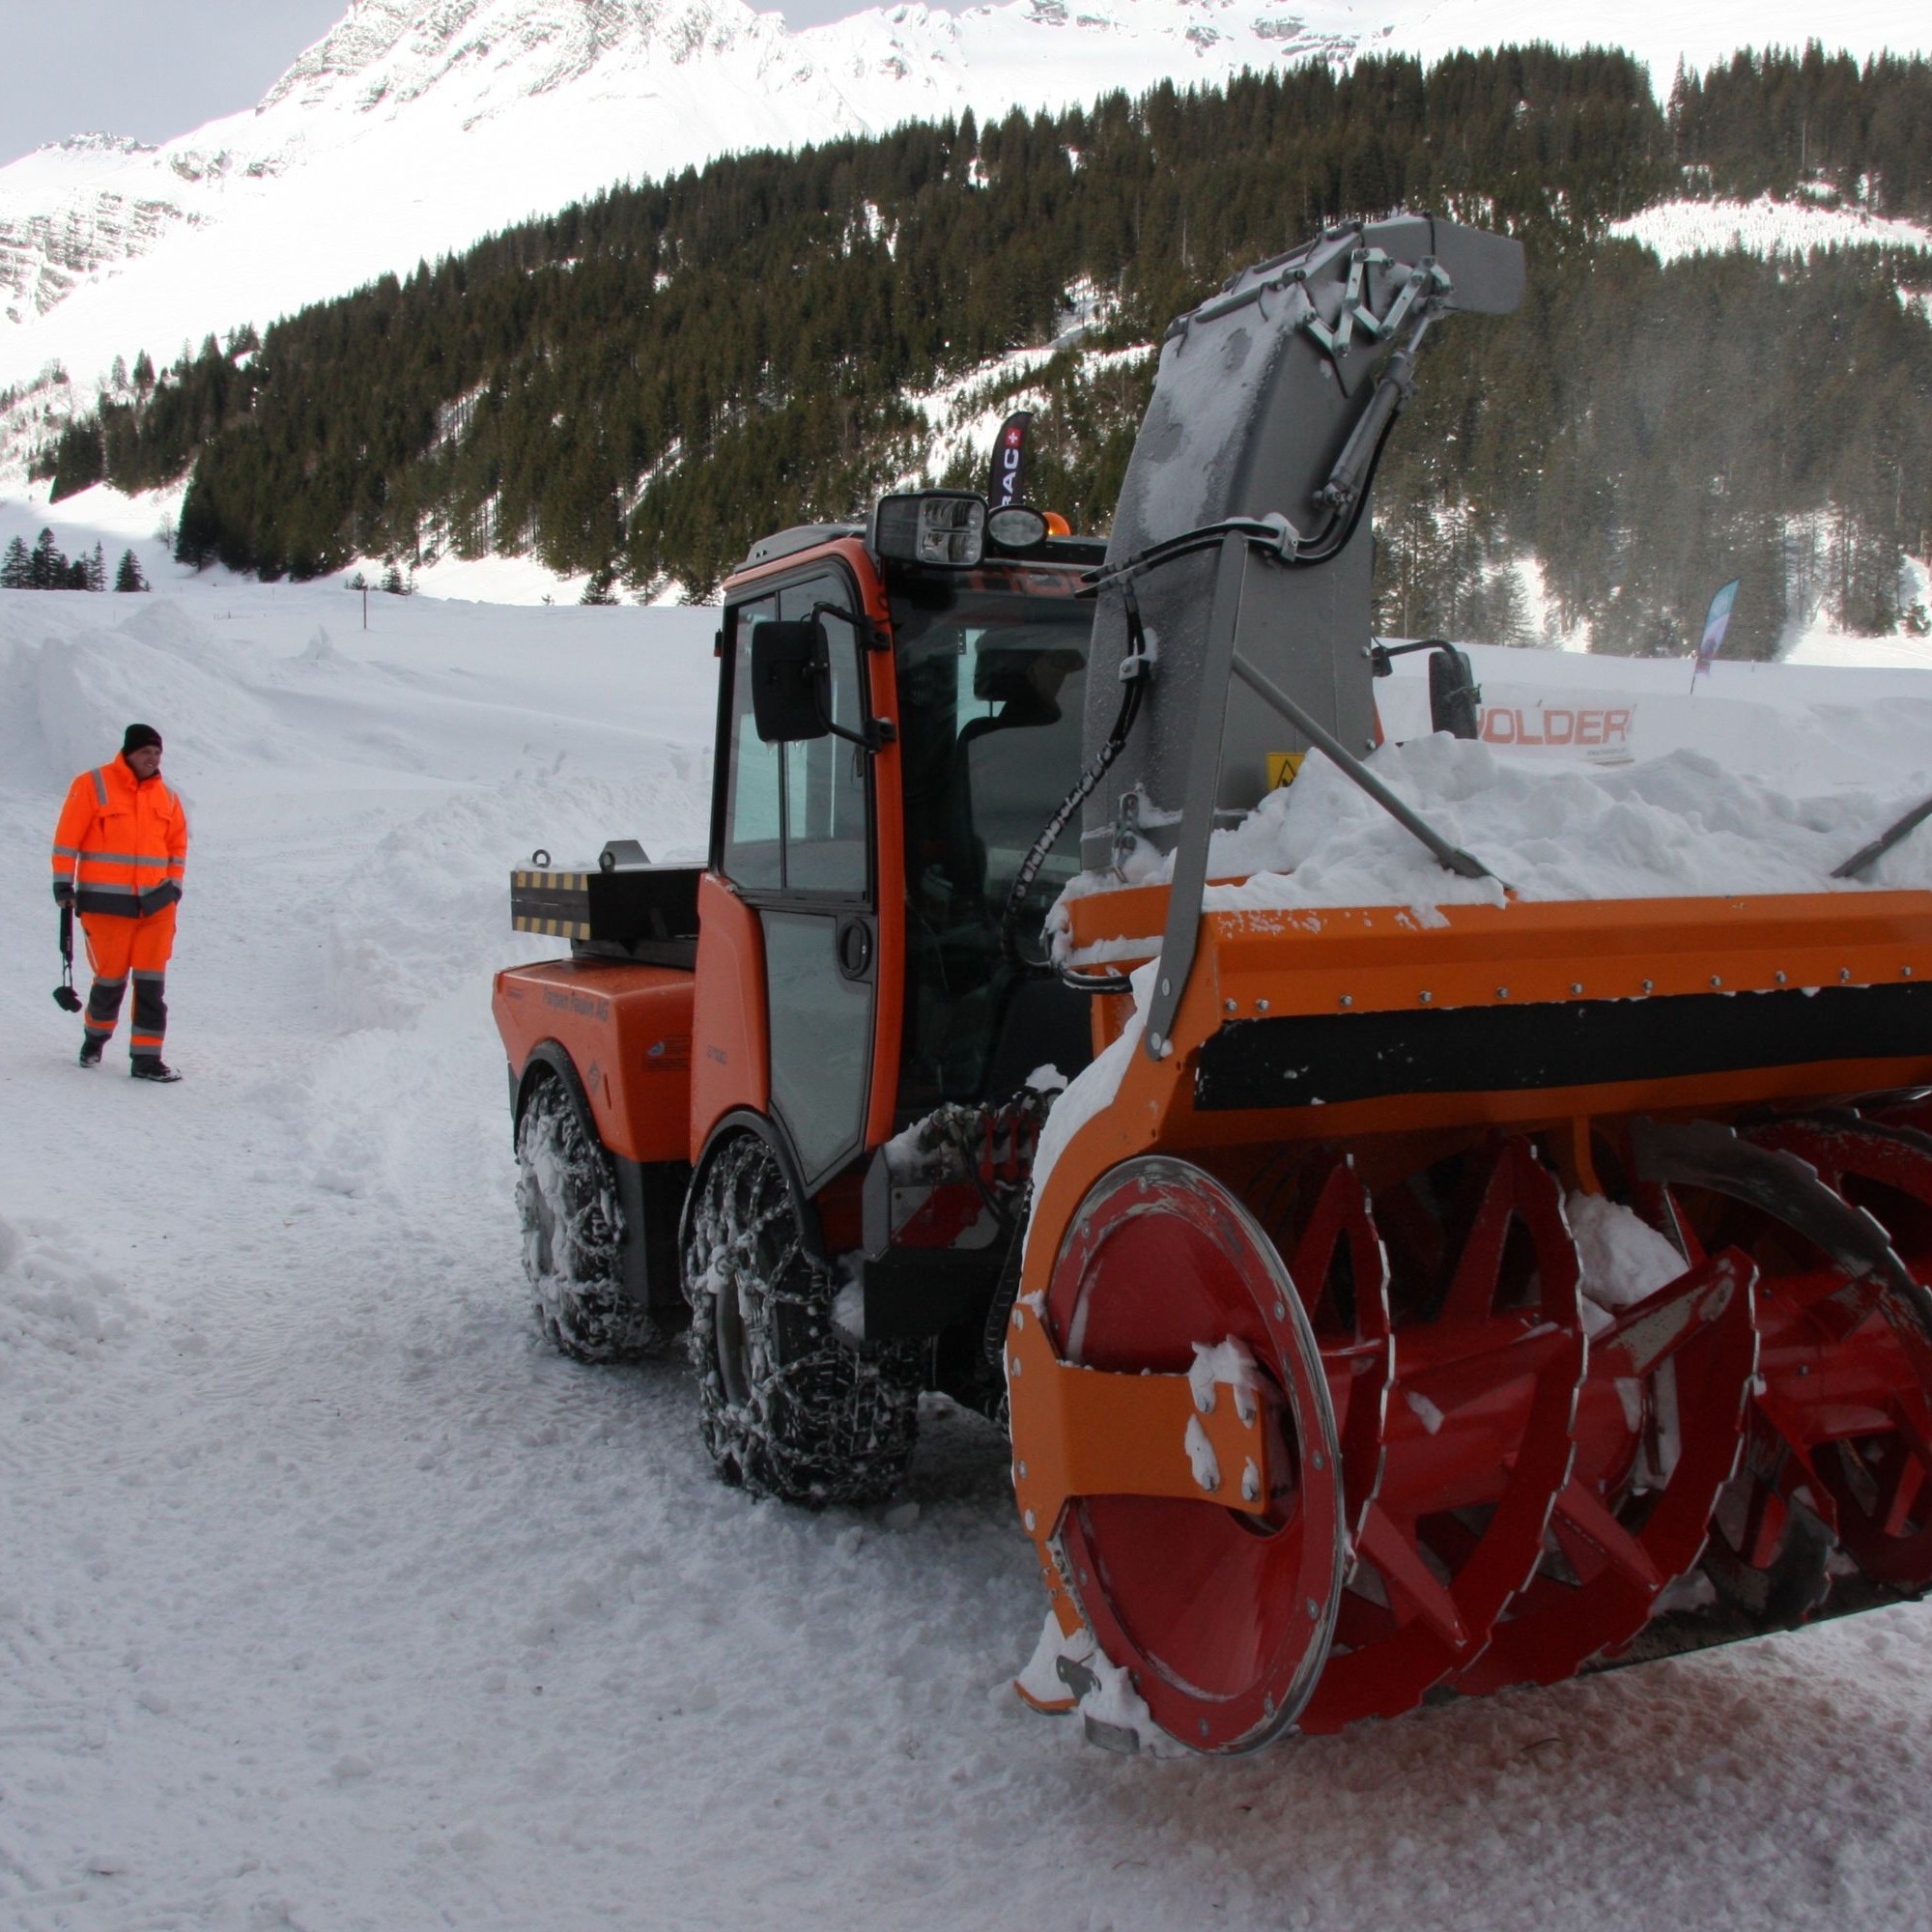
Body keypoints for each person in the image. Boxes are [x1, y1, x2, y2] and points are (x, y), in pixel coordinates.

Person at [50, 724, 188, 1081]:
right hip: (106, 906)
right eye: (146, 752)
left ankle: (146, 1059)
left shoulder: (168, 797)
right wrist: (63, 885)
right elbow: (68, 838)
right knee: (109, 982)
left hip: (156, 908)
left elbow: (177, 846)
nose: (153, 759)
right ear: (128, 752)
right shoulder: (92, 785)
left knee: (151, 985)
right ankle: (94, 1040)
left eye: (157, 753)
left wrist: (173, 888)